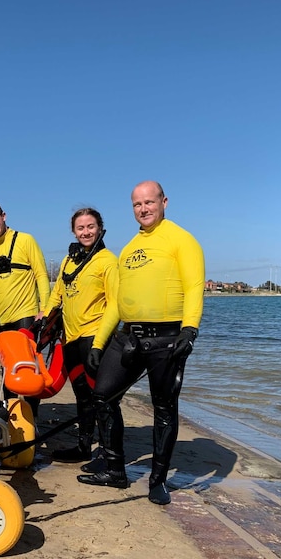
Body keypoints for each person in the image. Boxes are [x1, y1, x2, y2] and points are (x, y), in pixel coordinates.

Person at [78, 181, 204, 506]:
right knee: (102, 396)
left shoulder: (182, 240)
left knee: (164, 408)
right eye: (137, 204)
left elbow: (193, 287)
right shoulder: (130, 247)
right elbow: (117, 304)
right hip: (129, 336)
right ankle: (116, 469)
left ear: (164, 201)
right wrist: (98, 345)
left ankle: (158, 480)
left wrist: (189, 330)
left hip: (167, 339)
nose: (144, 209)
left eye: (150, 202)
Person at [43, 208, 118, 463]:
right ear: (74, 231)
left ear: (100, 228)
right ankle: (84, 448)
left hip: (94, 338)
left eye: (90, 227)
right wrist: (45, 318)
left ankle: (109, 457)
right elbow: (58, 294)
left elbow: (115, 304)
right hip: (71, 340)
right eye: (80, 228)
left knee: (102, 399)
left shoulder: (107, 261)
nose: (85, 232)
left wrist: (99, 345)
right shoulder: (69, 260)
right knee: (82, 396)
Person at [0, 202, 50, 416]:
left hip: (26, 314)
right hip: (0, 320)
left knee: (29, 366)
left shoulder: (25, 240)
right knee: (7, 369)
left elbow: (41, 275)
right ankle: (12, 414)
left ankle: (32, 416)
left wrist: (44, 308)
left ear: (4, 216)